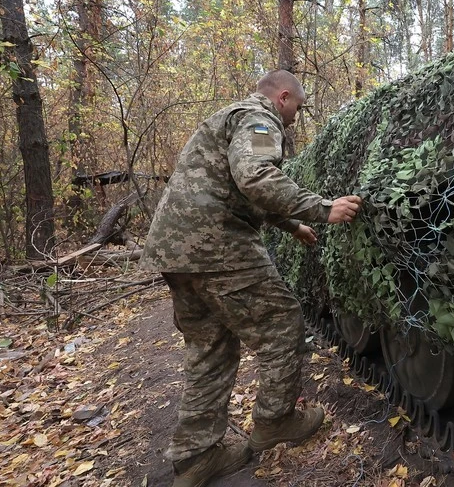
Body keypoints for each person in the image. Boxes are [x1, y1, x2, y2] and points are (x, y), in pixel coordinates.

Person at [140, 69, 362, 487]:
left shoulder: (229, 117)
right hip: (217, 245)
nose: (297, 114)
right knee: (281, 323)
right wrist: (322, 208)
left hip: (177, 250)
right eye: (298, 105)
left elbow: (233, 184)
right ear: (282, 97)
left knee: (211, 348)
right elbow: (254, 176)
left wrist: (292, 225)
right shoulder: (259, 120)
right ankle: (276, 420)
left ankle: (195, 458)